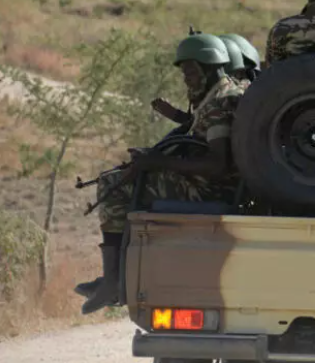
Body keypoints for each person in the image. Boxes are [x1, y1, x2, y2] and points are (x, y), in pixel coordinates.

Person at [73, 34, 250, 313]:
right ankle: (117, 275)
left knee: (114, 185)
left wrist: (157, 163)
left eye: (191, 72)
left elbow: (217, 165)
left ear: (210, 68)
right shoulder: (218, 95)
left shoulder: (220, 101)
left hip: (209, 190)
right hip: (204, 184)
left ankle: (114, 280)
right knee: (128, 176)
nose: (187, 80)